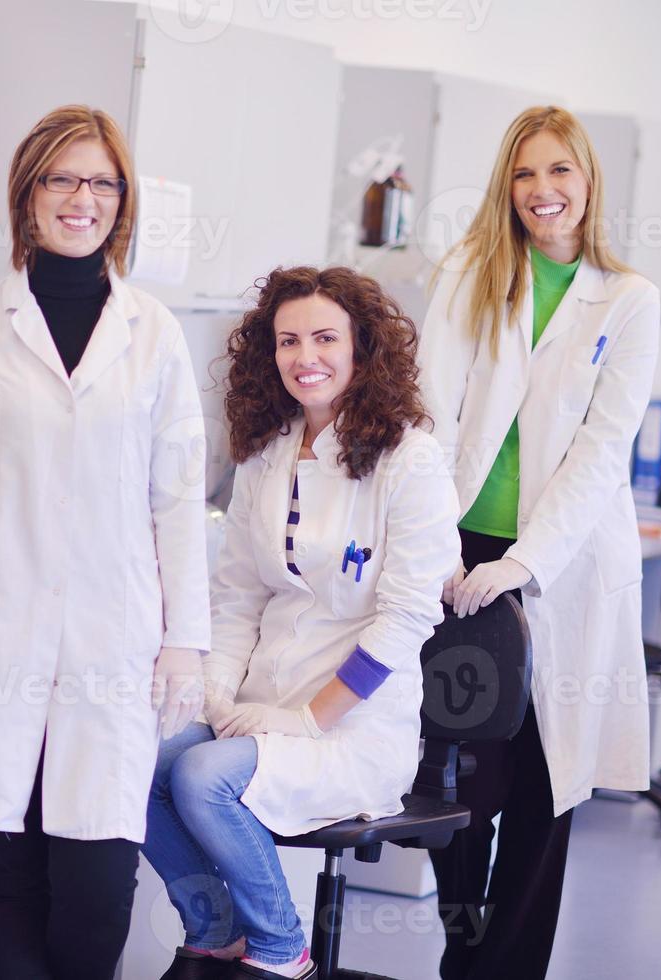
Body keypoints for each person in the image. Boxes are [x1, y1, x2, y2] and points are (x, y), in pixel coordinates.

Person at [0, 104, 211, 980]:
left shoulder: (154, 335)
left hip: (113, 644)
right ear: (27, 197)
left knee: (98, 879)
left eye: (102, 182)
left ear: (122, 203)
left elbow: (176, 500)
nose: (82, 198)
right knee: (12, 872)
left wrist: (186, 642)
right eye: (62, 178)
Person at [146, 266, 460, 980]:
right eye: (288, 340)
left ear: (361, 349)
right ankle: (213, 930)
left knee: (201, 777)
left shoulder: (409, 461)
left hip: (352, 728)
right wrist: (217, 694)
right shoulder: (267, 451)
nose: (304, 356)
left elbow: (407, 617)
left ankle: (282, 950)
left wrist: (312, 720)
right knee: (132, 759)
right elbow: (238, 596)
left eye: (324, 337)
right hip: (258, 707)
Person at [417, 105, 659, 980]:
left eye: (559, 172)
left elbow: (602, 449)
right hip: (458, 548)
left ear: (588, 182)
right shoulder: (468, 275)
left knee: (540, 783)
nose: (541, 191)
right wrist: (436, 542)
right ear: (504, 186)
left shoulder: (628, 299)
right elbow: (430, 412)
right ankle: (459, 942)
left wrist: (523, 563)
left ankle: (500, 971)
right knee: (452, 779)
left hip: (561, 565)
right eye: (524, 174)